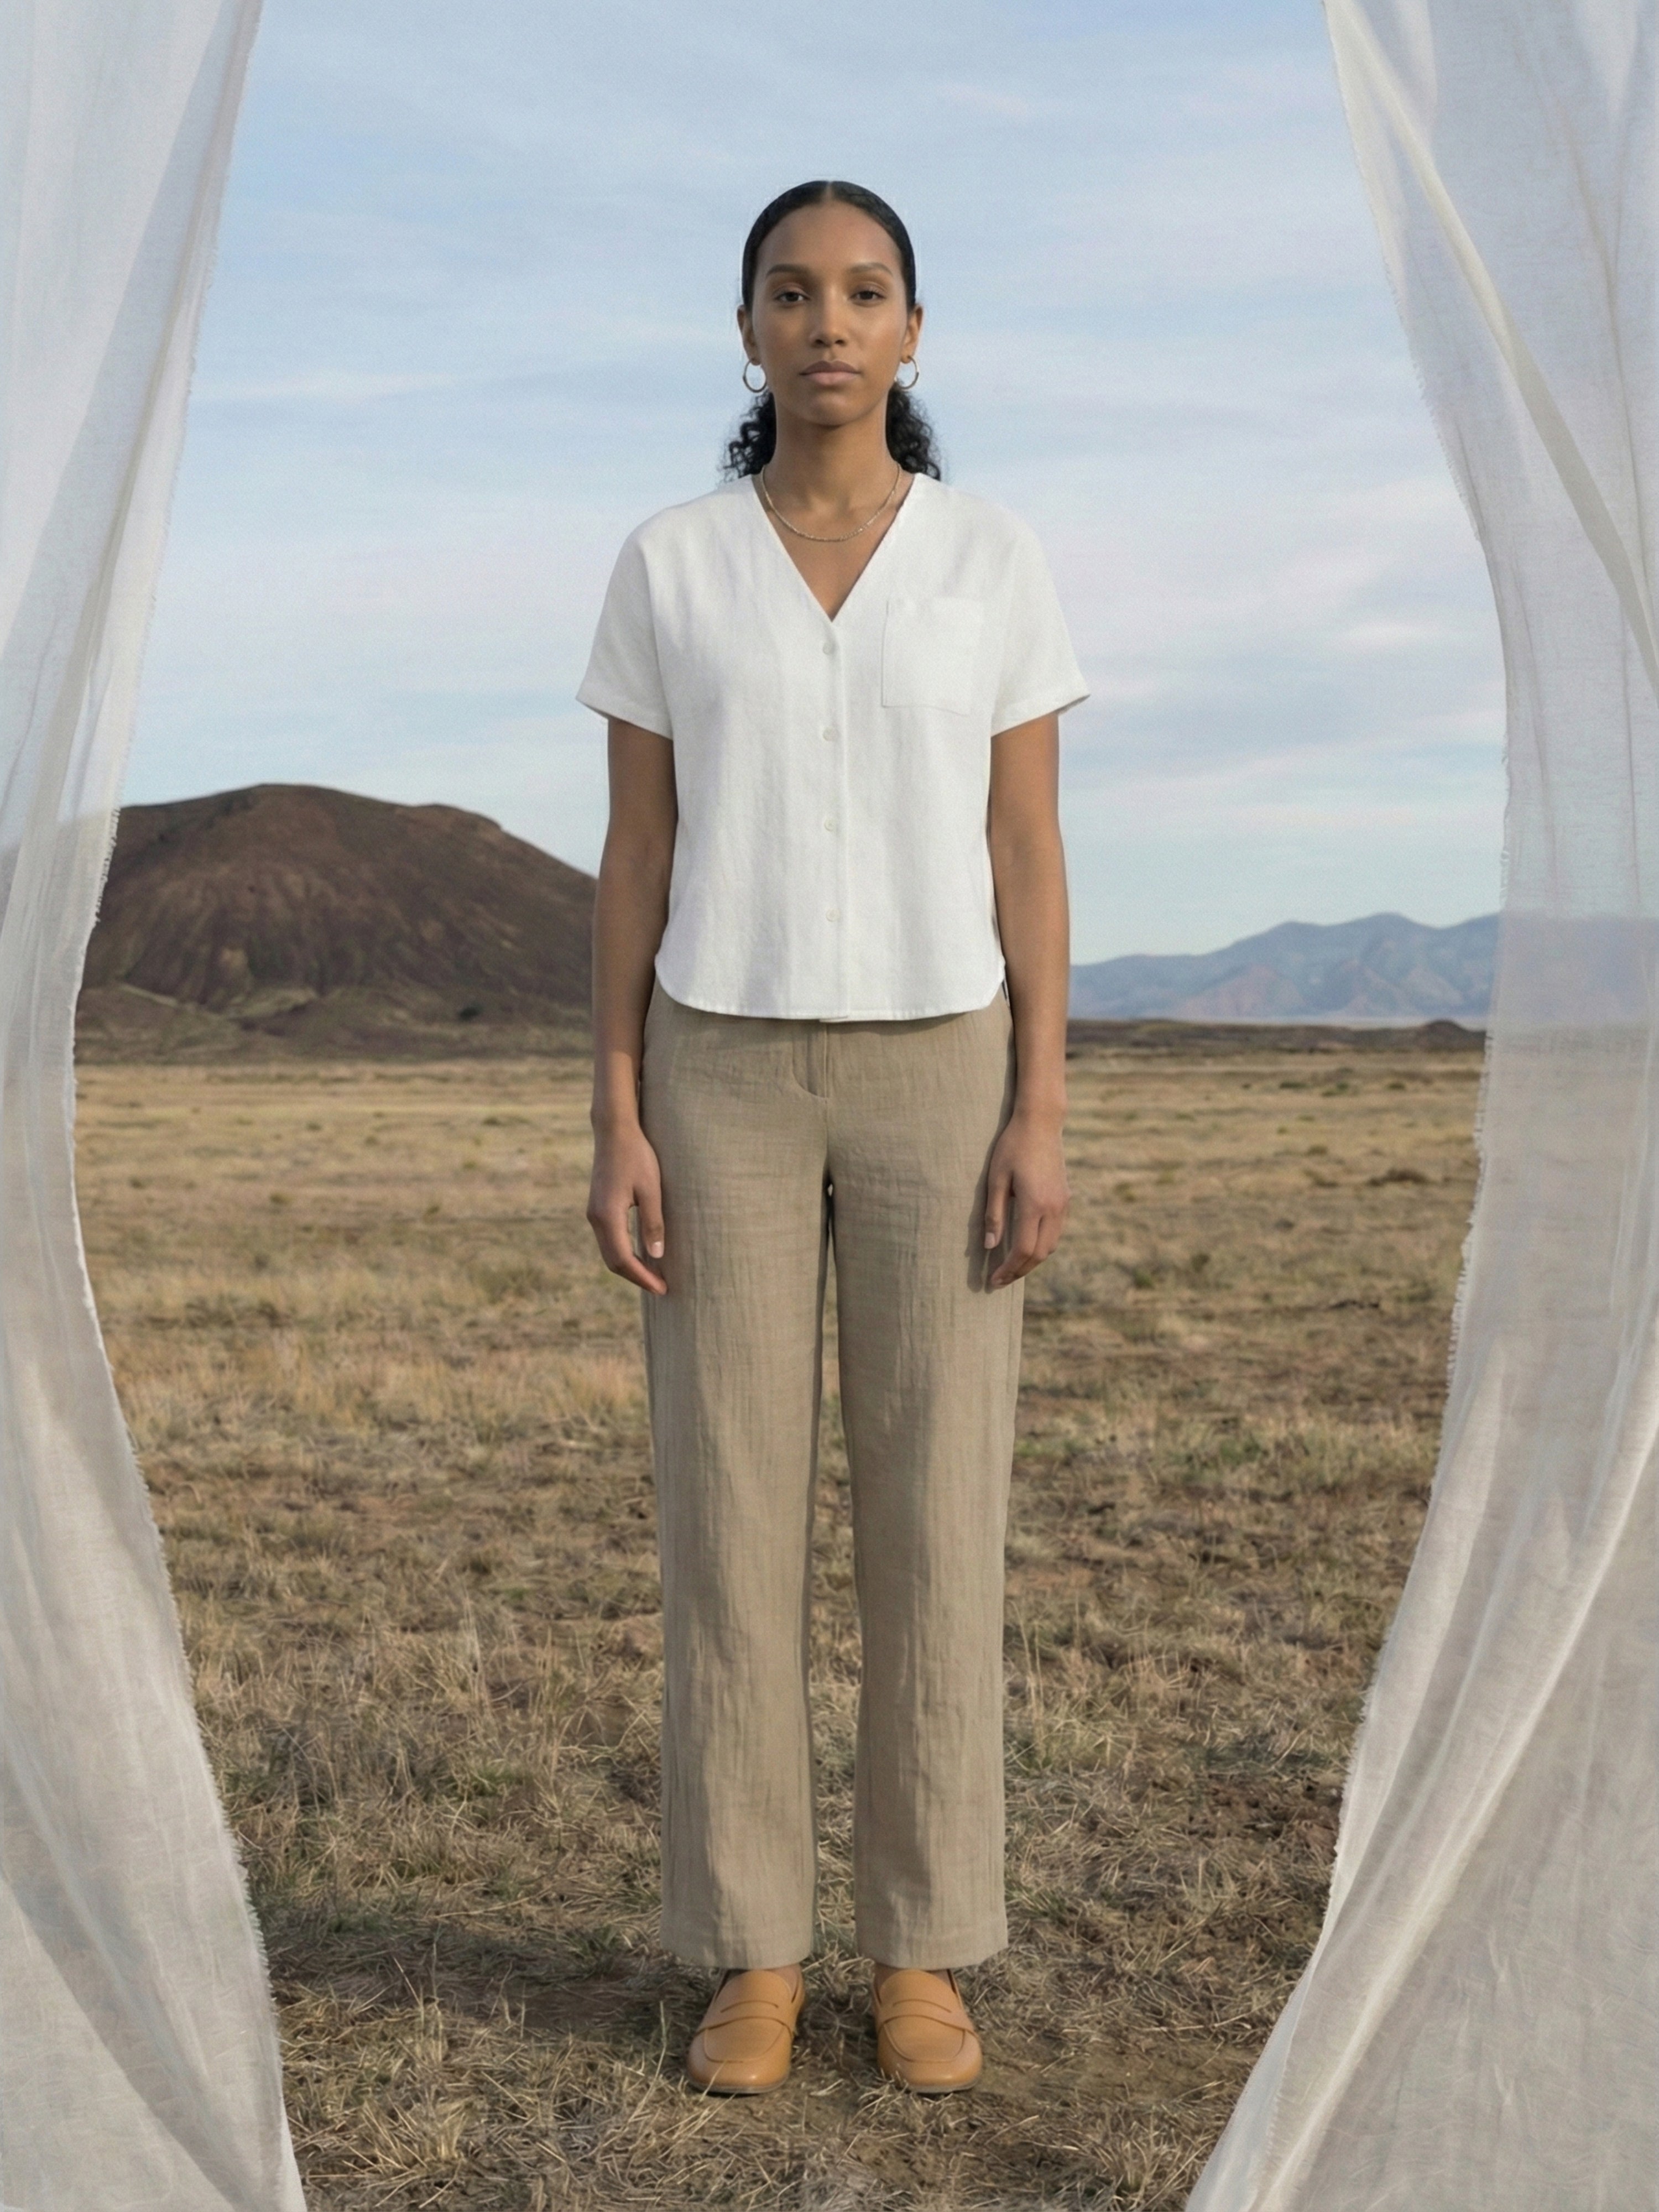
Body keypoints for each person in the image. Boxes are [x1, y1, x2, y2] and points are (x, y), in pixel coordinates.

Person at [580, 179, 1084, 2098]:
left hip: (943, 1067)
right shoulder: (671, 564)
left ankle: (923, 1952)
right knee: (726, 1511)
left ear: (916, 330)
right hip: (714, 1066)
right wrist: (614, 1105)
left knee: (937, 1508)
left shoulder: (993, 562)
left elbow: (1025, 849)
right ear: (746, 330)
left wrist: (1040, 1098)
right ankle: (752, 1953)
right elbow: (640, 852)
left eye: (864, 292)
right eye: (791, 293)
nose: (828, 324)